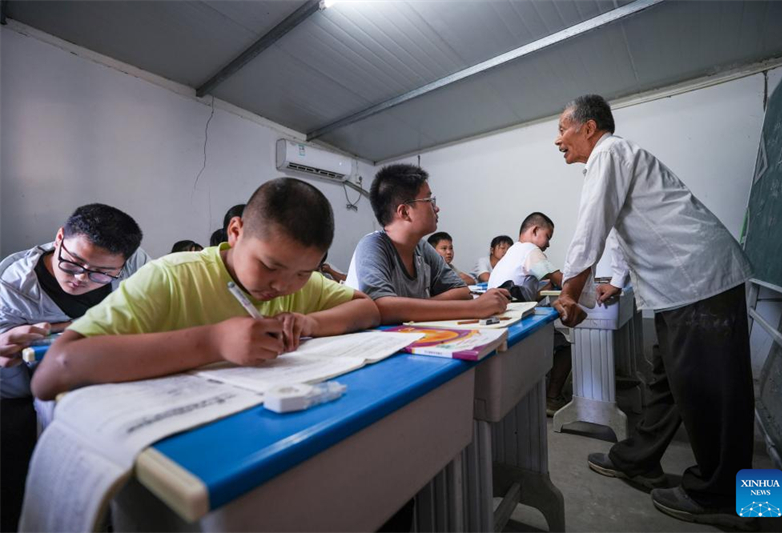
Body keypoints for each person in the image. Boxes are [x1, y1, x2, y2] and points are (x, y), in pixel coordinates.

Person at [553, 94, 754, 529]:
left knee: (716, 397)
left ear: (589, 128)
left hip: (699, 283)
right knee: (668, 381)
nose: (558, 140)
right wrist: (614, 283)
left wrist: (570, 292)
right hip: (685, 287)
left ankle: (731, 500)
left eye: (562, 129)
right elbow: (633, 232)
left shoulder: (608, 153)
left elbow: (593, 224)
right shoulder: (622, 157)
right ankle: (637, 461)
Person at [32, 179, 379, 401]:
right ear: (235, 231)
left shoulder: (297, 283)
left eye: (303, 273)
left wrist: (310, 324)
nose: (283, 286)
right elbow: (52, 374)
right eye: (269, 266)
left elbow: (367, 309)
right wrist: (214, 342)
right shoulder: (171, 277)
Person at [0, 203, 148, 532]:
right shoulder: (13, 288)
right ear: (59, 238)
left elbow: (153, 313)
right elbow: (14, 385)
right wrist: (6, 349)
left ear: (122, 266)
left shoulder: (137, 266)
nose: (80, 278)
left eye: (100, 273)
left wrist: (61, 327)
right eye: (72, 262)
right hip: (35, 391)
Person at [346, 163, 509, 325]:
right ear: (404, 212)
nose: (436, 208)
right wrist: (473, 308)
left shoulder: (421, 248)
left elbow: (461, 291)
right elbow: (382, 307)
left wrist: (413, 308)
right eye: (429, 200)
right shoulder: (373, 245)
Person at [487, 212, 573, 415]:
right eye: (548, 236)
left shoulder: (512, 253)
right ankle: (551, 400)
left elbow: (525, 295)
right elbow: (560, 279)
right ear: (535, 231)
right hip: (514, 324)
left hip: (500, 320)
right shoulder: (529, 250)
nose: (548, 244)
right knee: (565, 348)